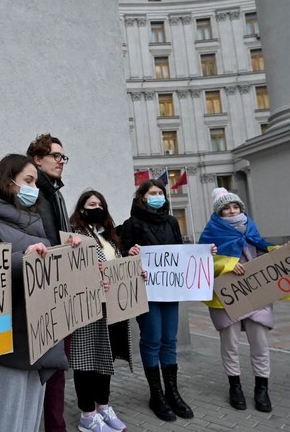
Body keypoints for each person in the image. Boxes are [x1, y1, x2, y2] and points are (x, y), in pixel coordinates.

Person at [0, 154, 70, 432]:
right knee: (8, 423)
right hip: (4, 341)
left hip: (39, 340)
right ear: (8, 182)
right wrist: (24, 260)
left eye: (36, 181)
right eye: (28, 181)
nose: (34, 188)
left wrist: (71, 257)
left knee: (31, 422)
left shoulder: (34, 223)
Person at [199, 188, 290, 413]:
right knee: (230, 344)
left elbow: (264, 248)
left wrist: (287, 250)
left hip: (256, 292)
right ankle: (235, 386)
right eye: (226, 208)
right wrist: (226, 264)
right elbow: (201, 264)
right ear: (219, 212)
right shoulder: (210, 233)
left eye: (235, 206)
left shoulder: (251, 227)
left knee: (260, 343)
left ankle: (261, 388)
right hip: (227, 297)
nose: (232, 211)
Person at [119, 178, 194, 422]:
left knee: (169, 340)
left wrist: (204, 253)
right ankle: (156, 394)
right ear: (142, 197)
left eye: (160, 192)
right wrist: (129, 253)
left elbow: (180, 253)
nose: (157, 196)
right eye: (152, 192)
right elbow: (124, 255)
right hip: (147, 292)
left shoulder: (172, 221)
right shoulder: (132, 224)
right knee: (152, 339)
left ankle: (172, 391)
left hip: (170, 291)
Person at [69, 190, 132, 432]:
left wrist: (132, 268)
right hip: (87, 306)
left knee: (105, 358)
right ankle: (87, 414)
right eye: (91, 203)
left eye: (100, 204)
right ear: (82, 208)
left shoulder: (110, 236)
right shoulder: (76, 235)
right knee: (86, 359)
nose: (97, 207)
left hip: (111, 306)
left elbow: (116, 265)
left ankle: (104, 406)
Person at [26, 133, 72, 431]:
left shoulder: (56, 194)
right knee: (48, 368)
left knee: (58, 368)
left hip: (61, 289)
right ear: (37, 159)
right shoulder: (33, 194)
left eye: (63, 157)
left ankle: (56, 425)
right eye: (56, 156)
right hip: (43, 291)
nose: (61, 162)